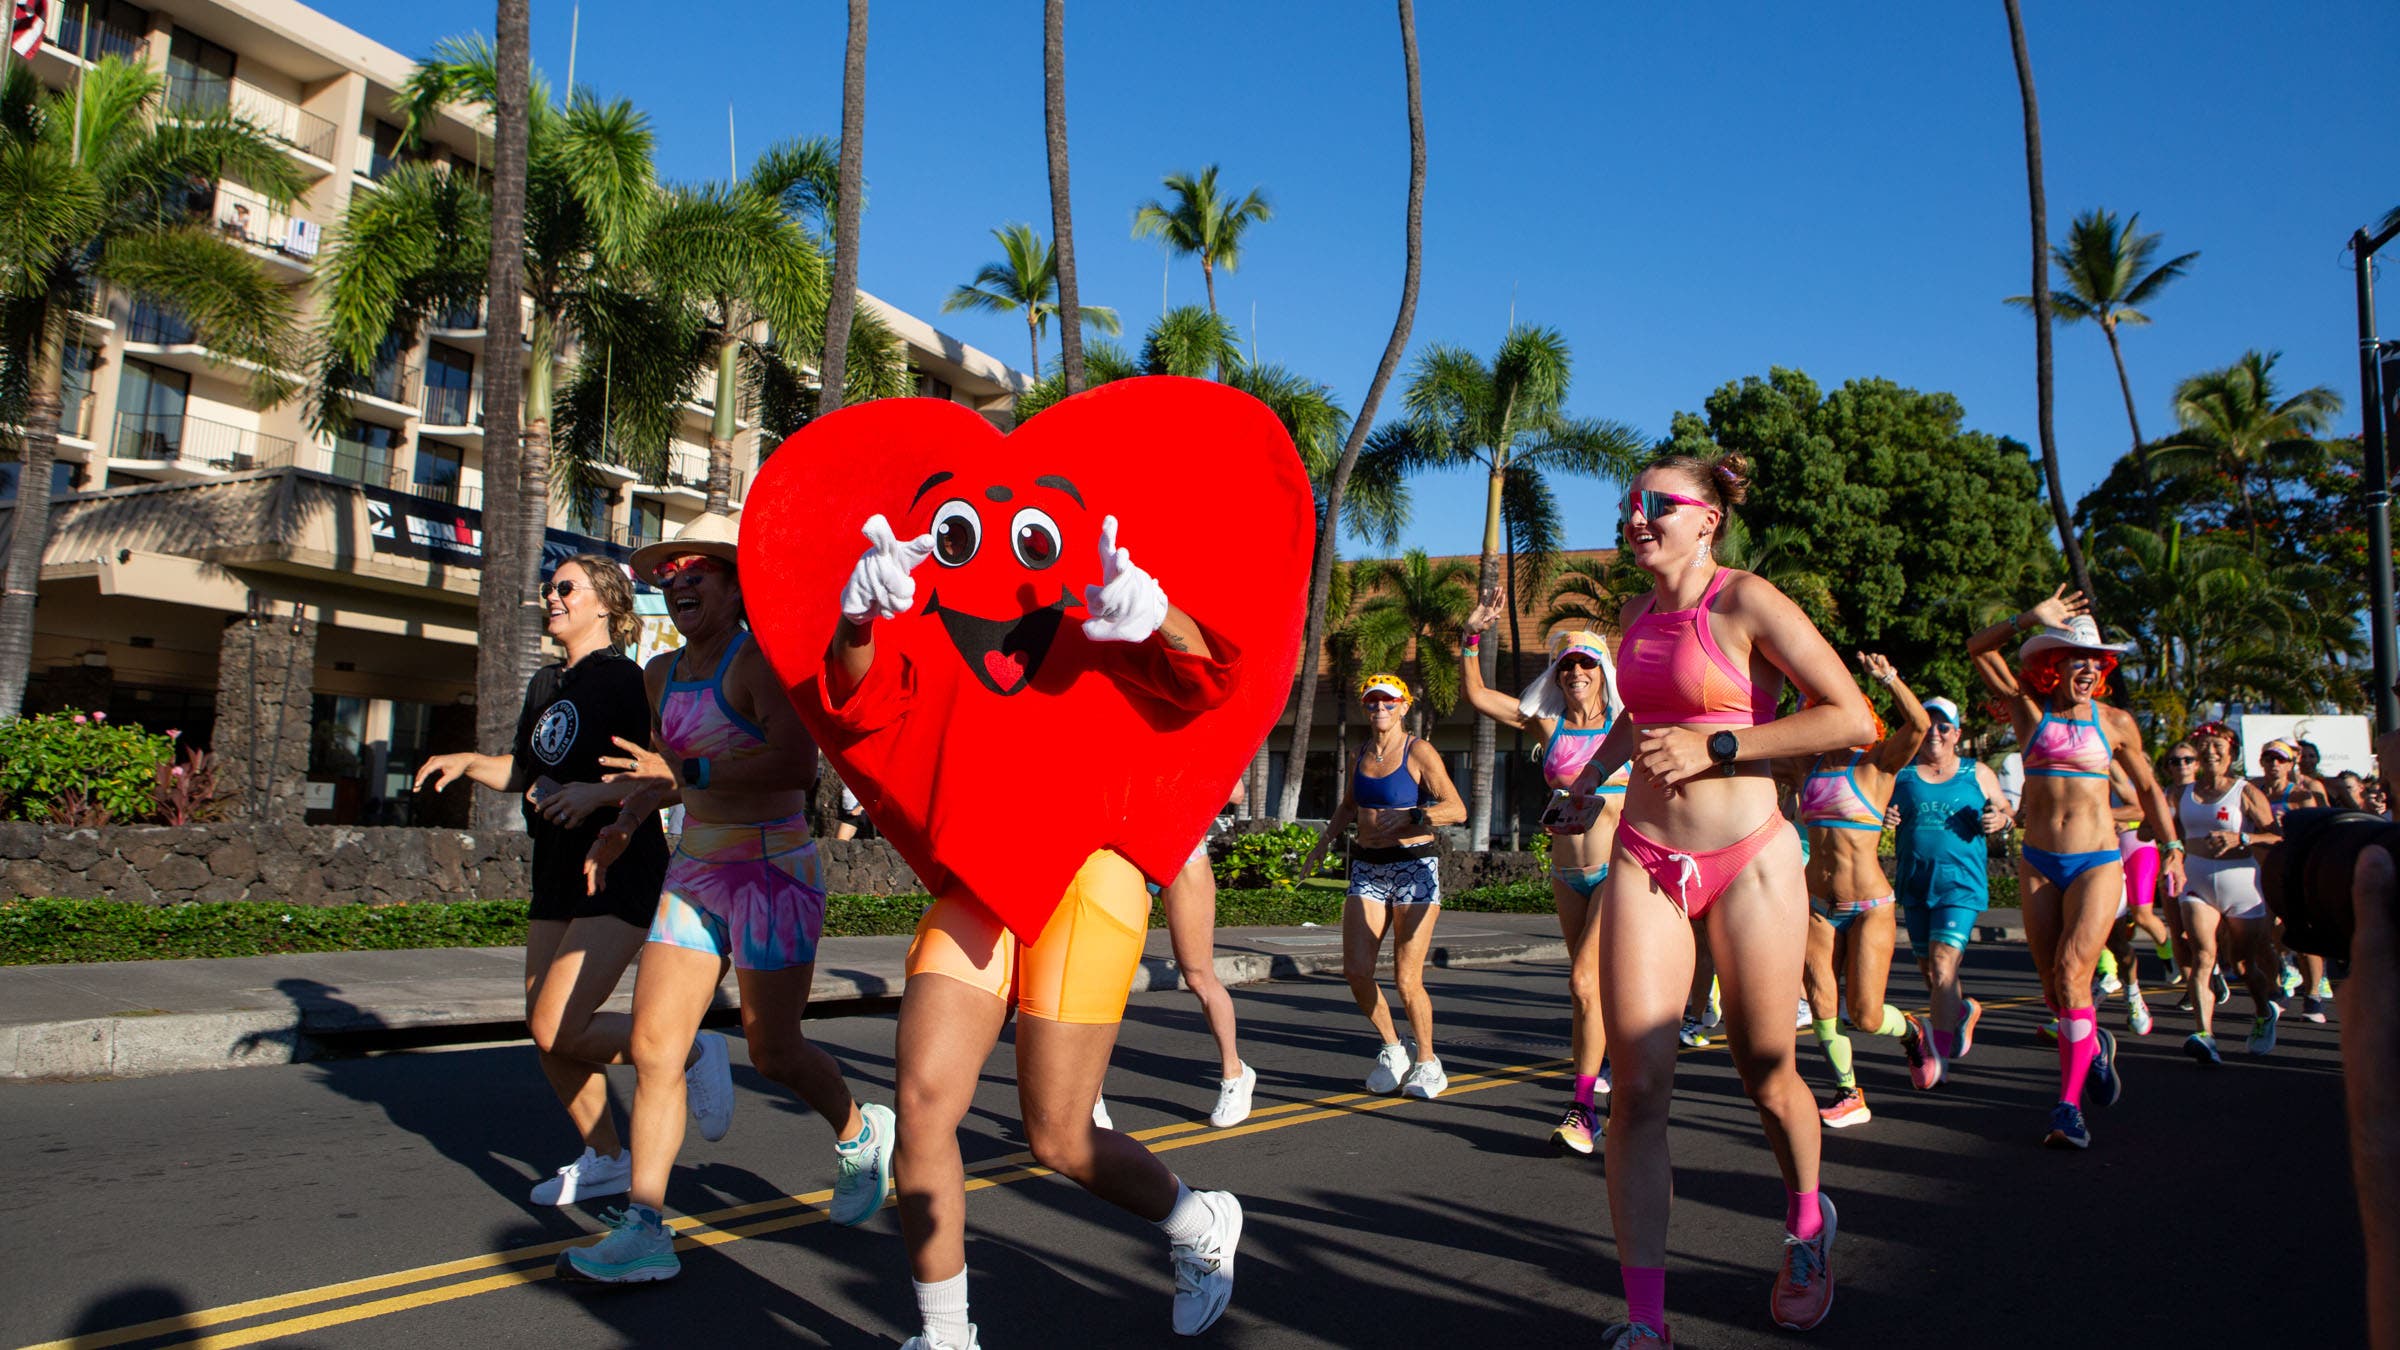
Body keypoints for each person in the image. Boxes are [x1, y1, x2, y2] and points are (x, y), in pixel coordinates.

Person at [829, 508, 1248, 1348]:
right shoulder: (933, 599)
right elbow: (860, 703)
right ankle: (946, 1336)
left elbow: (1207, 678)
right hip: (980, 876)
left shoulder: (1096, 599)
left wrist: (1157, 610)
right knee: (921, 1109)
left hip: (1090, 872)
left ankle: (1200, 1221)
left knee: (1060, 1137)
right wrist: (858, 619)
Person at [1572, 451, 1876, 1344]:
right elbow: (1639, 718)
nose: (1637, 517)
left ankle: (1808, 1225)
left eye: (1657, 504)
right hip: (1645, 855)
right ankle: (1646, 1323)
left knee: (1766, 1070)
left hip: (1750, 859)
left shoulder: (1747, 601)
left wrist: (1719, 746)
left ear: (1707, 519)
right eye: (1630, 504)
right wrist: (1588, 781)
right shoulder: (1634, 615)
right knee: (1638, 1087)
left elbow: (1852, 717)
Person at [560, 515, 893, 1284]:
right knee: (655, 1048)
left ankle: (858, 1131)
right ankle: (646, 1226)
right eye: (669, 571)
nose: (678, 581)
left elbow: (794, 768)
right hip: (696, 871)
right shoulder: (659, 673)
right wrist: (626, 825)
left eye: (697, 569)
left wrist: (689, 773)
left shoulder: (758, 664)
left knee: (773, 1049)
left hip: (773, 874)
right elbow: (661, 772)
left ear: (738, 588)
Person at [412, 554, 701, 1209]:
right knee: (546, 1034)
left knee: (556, 1023)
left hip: (615, 864)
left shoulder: (626, 681)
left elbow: (664, 774)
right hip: (554, 867)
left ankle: (683, 1050)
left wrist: (595, 796)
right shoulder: (546, 682)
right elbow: (523, 768)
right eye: (550, 587)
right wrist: (469, 761)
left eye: (566, 587)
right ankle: (607, 1157)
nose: (553, 596)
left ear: (606, 603)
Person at [1967, 588, 2183, 1150]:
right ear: (2053, 666)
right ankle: (2094, 1047)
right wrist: (2028, 619)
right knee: (2053, 987)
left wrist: (2173, 846)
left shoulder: (2115, 722)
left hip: (2096, 862)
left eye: (2096, 661)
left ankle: (2068, 1108)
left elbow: (2149, 787)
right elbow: (1977, 648)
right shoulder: (2028, 710)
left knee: (2071, 974)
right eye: (2076, 659)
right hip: (2039, 862)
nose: (2088, 669)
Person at [1458, 607, 1625, 1155]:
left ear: (1602, 670)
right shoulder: (1549, 726)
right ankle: (1611, 1068)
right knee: (1589, 993)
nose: (1576, 673)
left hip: (1617, 871)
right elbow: (1479, 696)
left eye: (1586, 664)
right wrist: (1470, 639)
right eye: (1567, 666)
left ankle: (1582, 1108)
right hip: (1565, 873)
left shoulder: (1626, 727)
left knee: (1583, 981)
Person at [1298, 674, 1470, 1100]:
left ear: (1404, 707)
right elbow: (1349, 805)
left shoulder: (1419, 751)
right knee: (1356, 972)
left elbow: (1457, 809)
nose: (1381, 708)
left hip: (1414, 867)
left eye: (1389, 702)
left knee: (1407, 979)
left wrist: (1417, 816)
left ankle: (1428, 1062)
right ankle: (1394, 1048)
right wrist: (1322, 843)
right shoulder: (1359, 753)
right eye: (1373, 702)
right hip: (1368, 868)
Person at [1799, 654, 1935, 1130]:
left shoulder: (1878, 764)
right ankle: (1848, 1092)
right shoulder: (1804, 766)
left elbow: (1919, 726)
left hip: (1869, 907)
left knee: (1866, 1015)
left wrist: (1889, 678)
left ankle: (1912, 1031)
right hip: (1817, 906)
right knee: (1822, 1004)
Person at [1096, 783, 1255, 1131]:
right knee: (1110, 984)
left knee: (1198, 976)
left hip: (1183, 852)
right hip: (1128, 854)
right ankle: (1090, 1095)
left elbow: (1236, 793)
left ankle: (1235, 1073)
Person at [1887, 696, 2010, 1074]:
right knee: (1931, 973)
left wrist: (2000, 820)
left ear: (1957, 734)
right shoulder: (1902, 774)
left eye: (1944, 727)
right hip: (1915, 883)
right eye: (1928, 725)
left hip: (1960, 886)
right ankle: (1961, 1010)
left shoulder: (1977, 773)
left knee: (1943, 965)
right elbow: (1877, 810)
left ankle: (1937, 1057)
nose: (1935, 733)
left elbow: (2007, 810)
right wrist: (1884, 815)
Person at [2173, 721, 2283, 1067]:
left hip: (2240, 882)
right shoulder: (2181, 793)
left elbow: (2276, 837)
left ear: (2231, 753)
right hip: (2197, 882)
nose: (2210, 752)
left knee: (2243, 964)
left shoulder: (2244, 791)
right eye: (2204, 747)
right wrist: (2168, 851)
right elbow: (2166, 832)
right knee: (2203, 956)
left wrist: (2243, 838)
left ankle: (2264, 1011)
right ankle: (2204, 1035)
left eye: (2217, 746)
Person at [2100, 761, 2177, 1036]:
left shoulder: (2117, 773)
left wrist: (2100, 815)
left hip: (2136, 846)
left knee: (2140, 915)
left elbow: (2138, 810)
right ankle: (2104, 976)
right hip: (2094, 851)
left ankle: (2169, 955)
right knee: (2090, 927)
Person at [2258, 739, 2333, 1019]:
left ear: (2290, 764)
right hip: (2261, 872)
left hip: (2293, 872)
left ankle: (2313, 996)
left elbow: (2316, 833)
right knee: (2261, 935)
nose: (2274, 764)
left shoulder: (2301, 796)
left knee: (2303, 937)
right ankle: (2277, 987)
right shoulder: (2253, 793)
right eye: (2269, 759)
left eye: (2280, 759)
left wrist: (2289, 829)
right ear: (2261, 762)